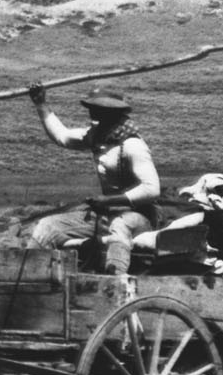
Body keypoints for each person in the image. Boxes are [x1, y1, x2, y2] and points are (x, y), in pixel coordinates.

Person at [26, 86, 164, 264]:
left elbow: (151, 189)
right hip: (106, 214)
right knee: (48, 226)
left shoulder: (133, 146)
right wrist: (41, 104)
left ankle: (115, 277)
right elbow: (62, 136)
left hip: (139, 217)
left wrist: (109, 200)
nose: (90, 111)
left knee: (119, 226)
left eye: (96, 107)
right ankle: (28, 270)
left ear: (111, 112)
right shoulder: (97, 136)